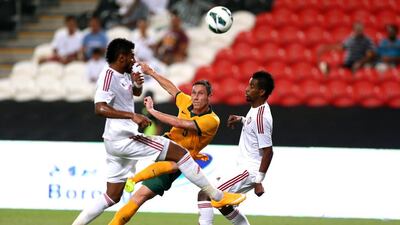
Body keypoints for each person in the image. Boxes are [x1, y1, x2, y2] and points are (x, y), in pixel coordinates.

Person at [71, 38, 245, 225]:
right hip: (125, 138)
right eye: (131, 56)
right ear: (121, 58)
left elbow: (136, 94)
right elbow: (99, 108)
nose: (134, 59)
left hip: (117, 141)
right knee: (181, 154)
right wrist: (132, 116)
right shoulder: (108, 76)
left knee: (112, 196)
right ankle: (217, 195)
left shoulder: (124, 75)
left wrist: (138, 84)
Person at [108, 63, 220, 225]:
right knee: (142, 193)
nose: (195, 97)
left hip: (182, 159)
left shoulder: (212, 120)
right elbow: (171, 88)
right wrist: (151, 72)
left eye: (201, 94)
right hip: (166, 145)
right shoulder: (186, 101)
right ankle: (130, 177)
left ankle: (133, 179)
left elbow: (181, 123)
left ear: (209, 97)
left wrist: (153, 111)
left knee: (142, 195)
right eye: (194, 93)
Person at [197, 71, 275, 225]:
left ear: (261, 91)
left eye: (252, 86)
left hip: (248, 171)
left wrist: (259, 181)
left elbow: (268, 151)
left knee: (205, 194)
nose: (247, 89)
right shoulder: (256, 110)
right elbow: (253, 127)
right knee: (224, 205)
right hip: (242, 167)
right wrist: (241, 119)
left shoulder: (261, 117)